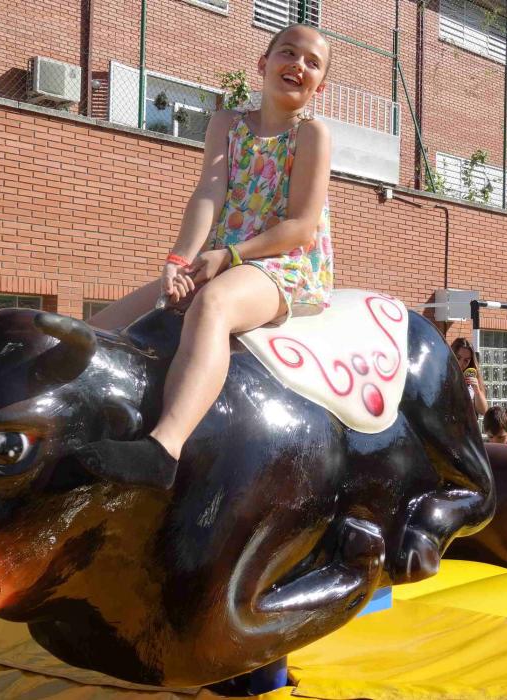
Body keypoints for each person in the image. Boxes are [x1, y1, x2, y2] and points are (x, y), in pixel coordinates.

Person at [81, 24, 334, 486]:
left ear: (321, 83)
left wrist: (231, 256)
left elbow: (299, 227)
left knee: (213, 304)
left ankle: (164, 448)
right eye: (288, 53)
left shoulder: (312, 135)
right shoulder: (227, 124)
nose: (298, 65)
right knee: (99, 327)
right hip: (220, 256)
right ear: (263, 63)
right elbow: (209, 192)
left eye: (312, 62)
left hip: (280, 264)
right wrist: (180, 259)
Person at [451, 337, 489, 416]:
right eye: (458, 358)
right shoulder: (442, 376)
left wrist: (477, 391)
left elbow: (483, 411)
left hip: (467, 427)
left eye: (466, 360)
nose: (461, 363)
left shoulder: (472, 378)